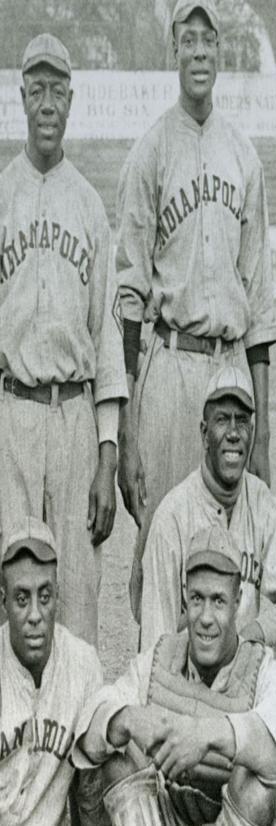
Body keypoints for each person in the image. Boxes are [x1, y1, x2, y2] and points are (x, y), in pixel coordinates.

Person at [115, 0, 276, 625]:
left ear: (221, 51)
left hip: (230, 365)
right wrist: (126, 426)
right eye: (189, 39)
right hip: (172, 359)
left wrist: (262, 426)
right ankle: (156, 680)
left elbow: (261, 298)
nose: (200, 51)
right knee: (160, 532)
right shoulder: (150, 150)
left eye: (209, 40)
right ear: (174, 51)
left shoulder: (244, 156)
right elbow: (129, 295)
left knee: (229, 536)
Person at [72, 523, 276, 826]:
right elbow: (88, 733)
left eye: (218, 601)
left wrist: (207, 735)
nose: (206, 617)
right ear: (184, 596)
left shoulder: (263, 668)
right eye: (197, 599)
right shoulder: (160, 656)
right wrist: (126, 718)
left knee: (258, 783)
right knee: (117, 757)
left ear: (239, 602)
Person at [0, 33, 127, 649]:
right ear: (21, 97)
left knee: (77, 590)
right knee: (12, 583)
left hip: (75, 415)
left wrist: (108, 457)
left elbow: (107, 342)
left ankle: (76, 734)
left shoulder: (88, 204)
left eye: (58, 90)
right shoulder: (2, 195)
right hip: (14, 412)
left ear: (71, 101)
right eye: (37, 89)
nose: (47, 104)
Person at [137, 365, 276, 674]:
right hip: (191, 677)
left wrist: (251, 636)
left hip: (244, 668)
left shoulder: (264, 504)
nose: (233, 433)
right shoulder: (172, 515)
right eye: (222, 420)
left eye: (242, 421)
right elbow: (155, 639)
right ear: (204, 433)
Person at [0, 519, 113, 826]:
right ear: (3, 602)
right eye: (21, 598)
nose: (34, 615)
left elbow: (98, 761)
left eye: (44, 597)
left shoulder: (82, 667)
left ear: (58, 597)